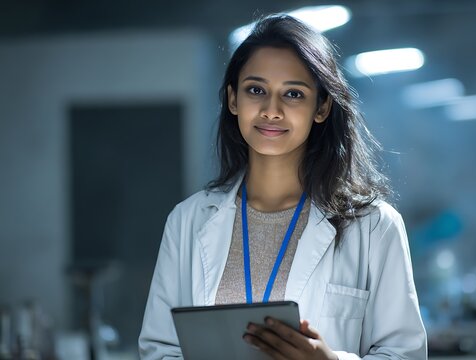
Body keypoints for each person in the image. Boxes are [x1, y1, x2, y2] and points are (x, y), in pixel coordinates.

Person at [139, 14, 427, 360]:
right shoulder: (187, 221)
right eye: (256, 90)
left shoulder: (374, 225)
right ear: (233, 100)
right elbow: (160, 350)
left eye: (293, 94)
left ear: (321, 107)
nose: (271, 110)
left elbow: (405, 353)